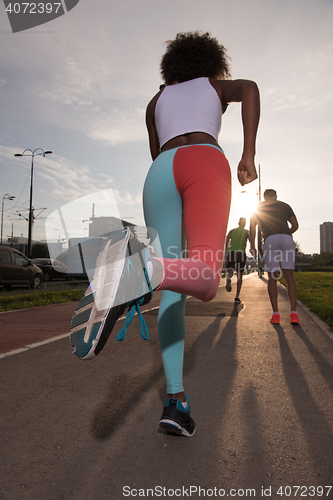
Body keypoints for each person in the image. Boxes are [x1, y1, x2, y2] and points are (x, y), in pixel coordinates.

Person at [70, 31, 260, 438]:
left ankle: (176, 400)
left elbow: (158, 151)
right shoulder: (212, 85)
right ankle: (139, 271)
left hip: (159, 173)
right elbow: (250, 87)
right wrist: (248, 152)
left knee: (177, 284)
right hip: (204, 161)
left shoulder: (156, 101)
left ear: (171, 67)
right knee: (206, 279)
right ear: (211, 64)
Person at [249, 189, 299, 325]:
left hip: (270, 239)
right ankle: (294, 314)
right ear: (276, 196)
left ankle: (276, 315)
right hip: (286, 239)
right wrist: (286, 234)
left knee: (272, 277)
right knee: (290, 277)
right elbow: (295, 225)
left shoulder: (259, 207)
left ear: (264, 198)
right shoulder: (285, 205)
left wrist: (253, 246)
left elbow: (252, 228)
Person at [224, 217, 249, 304]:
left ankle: (228, 277)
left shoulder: (232, 231)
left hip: (231, 252)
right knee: (239, 276)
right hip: (241, 253)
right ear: (244, 224)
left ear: (238, 223)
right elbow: (251, 240)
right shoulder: (246, 232)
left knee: (230, 271)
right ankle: (237, 297)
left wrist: (226, 252)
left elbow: (226, 240)